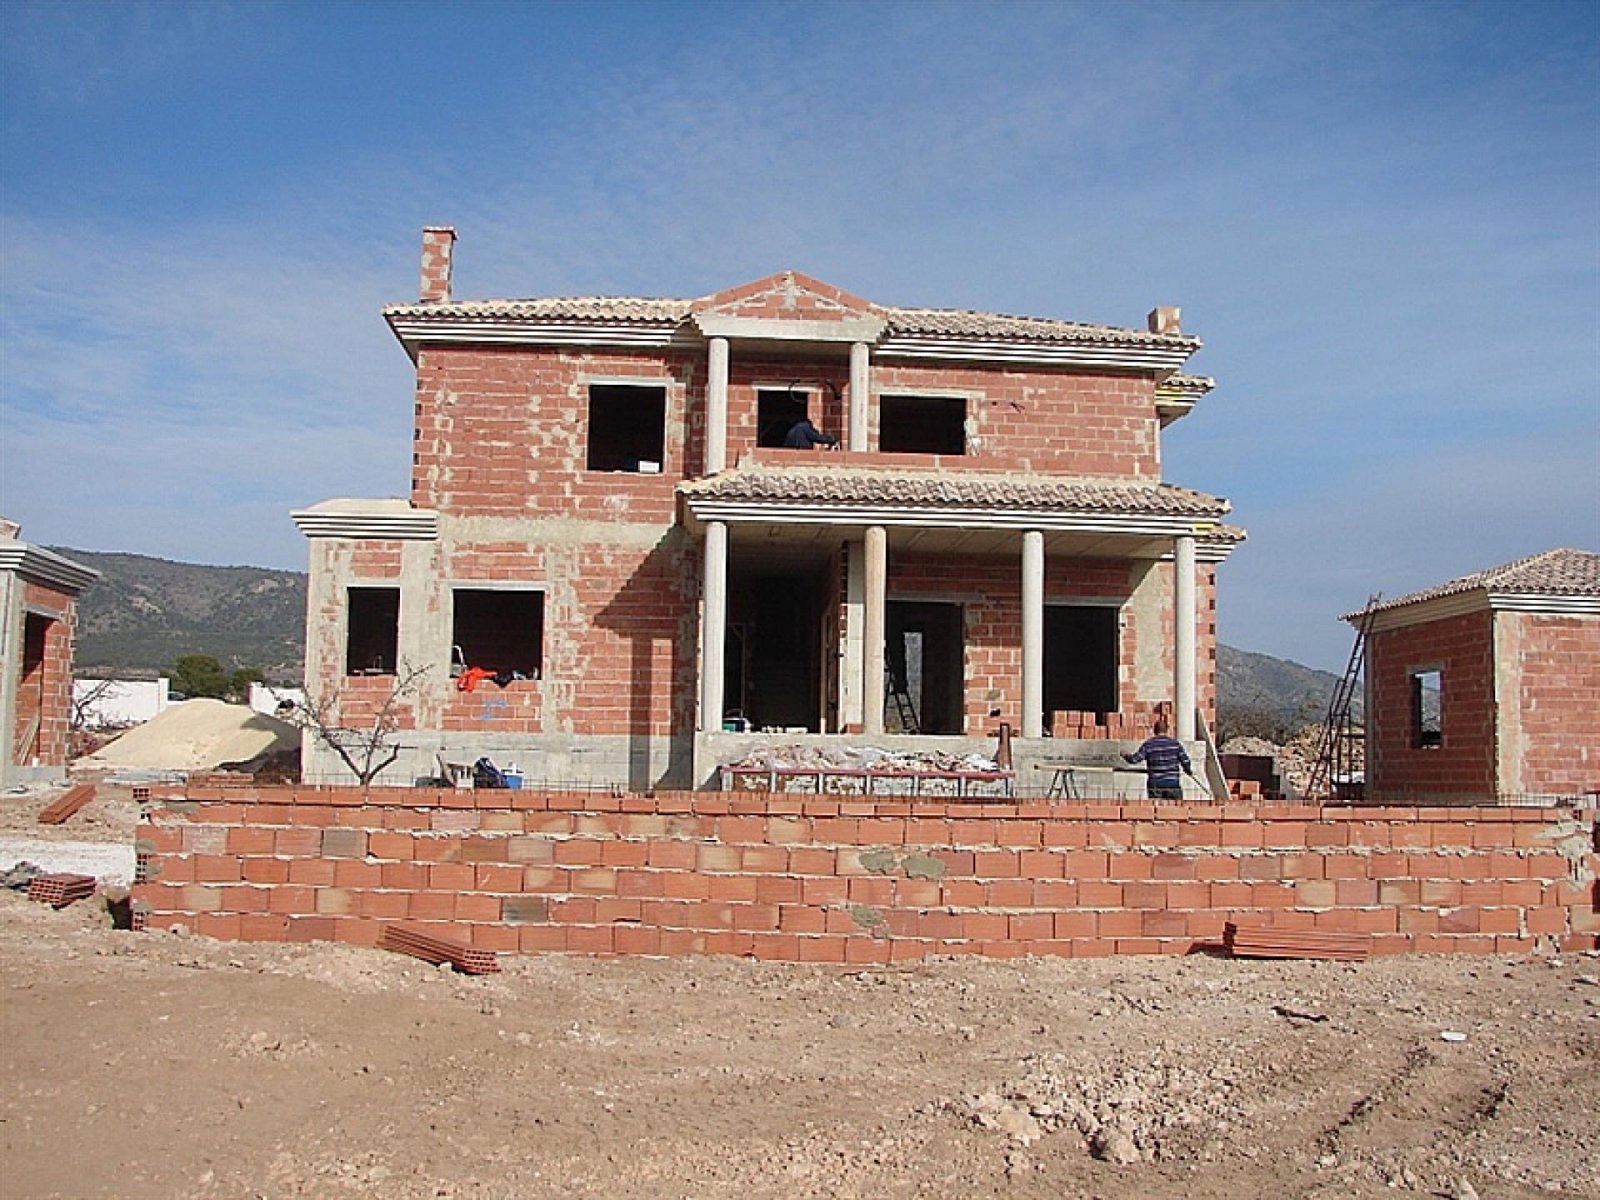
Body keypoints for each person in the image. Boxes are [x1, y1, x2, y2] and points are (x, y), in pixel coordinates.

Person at [1122, 718, 1195, 800]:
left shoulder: (1149, 744)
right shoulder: (1175, 744)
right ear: (1167, 730)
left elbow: (1135, 759)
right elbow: (1185, 760)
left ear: (1154, 730)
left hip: (1155, 783)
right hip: (1172, 782)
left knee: (1157, 809)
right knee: (1175, 810)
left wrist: (1125, 755)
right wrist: (1188, 770)